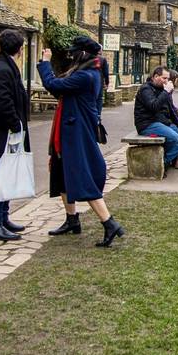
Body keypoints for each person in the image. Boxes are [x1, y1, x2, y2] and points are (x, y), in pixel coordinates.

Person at [39, 36, 125, 248]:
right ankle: (72, 220)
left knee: (82, 177)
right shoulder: (87, 72)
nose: (71, 55)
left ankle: (109, 223)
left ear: (83, 53)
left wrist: (45, 63)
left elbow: (52, 84)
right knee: (61, 174)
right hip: (69, 130)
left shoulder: (85, 76)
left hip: (76, 133)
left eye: (74, 52)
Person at [0, 29, 29, 242]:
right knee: (2, 178)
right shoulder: (2, 70)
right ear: (19, 49)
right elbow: (3, 103)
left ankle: (3, 217)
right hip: (4, 133)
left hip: (7, 132)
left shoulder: (4, 67)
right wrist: (15, 124)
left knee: (7, 176)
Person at [134, 66, 178, 170]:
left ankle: (163, 162)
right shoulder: (145, 89)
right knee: (174, 137)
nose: (167, 81)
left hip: (161, 122)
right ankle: (161, 165)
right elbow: (153, 106)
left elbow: (172, 110)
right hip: (147, 124)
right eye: (164, 78)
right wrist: (166, 92)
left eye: (168, 79)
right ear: (155, 76)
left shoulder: (163, 90)